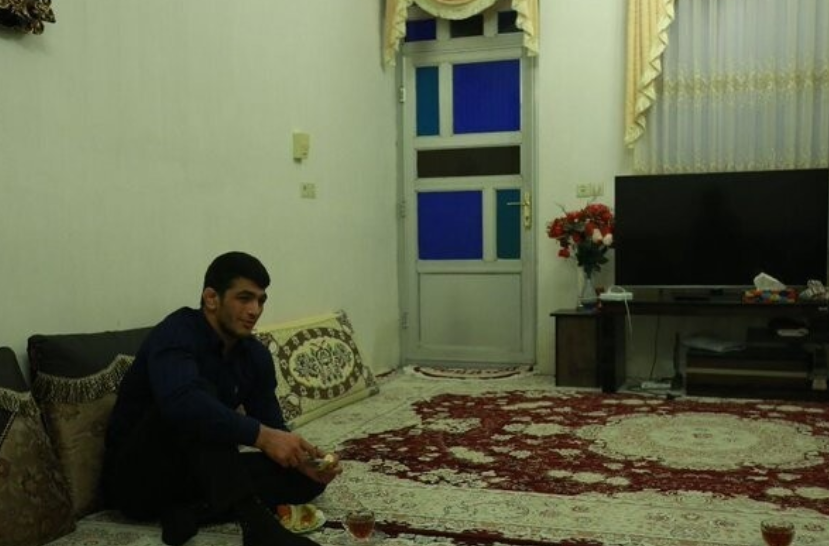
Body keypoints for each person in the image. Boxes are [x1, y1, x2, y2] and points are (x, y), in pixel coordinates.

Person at [103, 251, 341, 546]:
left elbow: (271, 425)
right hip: (138, 478)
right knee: (197, 403)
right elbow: (183, 404)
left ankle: (190, 512)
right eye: (244, 298)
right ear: (211, 298)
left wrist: (299, 459)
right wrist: (262, 436)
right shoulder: (176, 333)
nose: (255, 310)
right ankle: (257, 528)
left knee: (305, 480)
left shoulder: (254, 355)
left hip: (202, 472)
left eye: (261, 300)